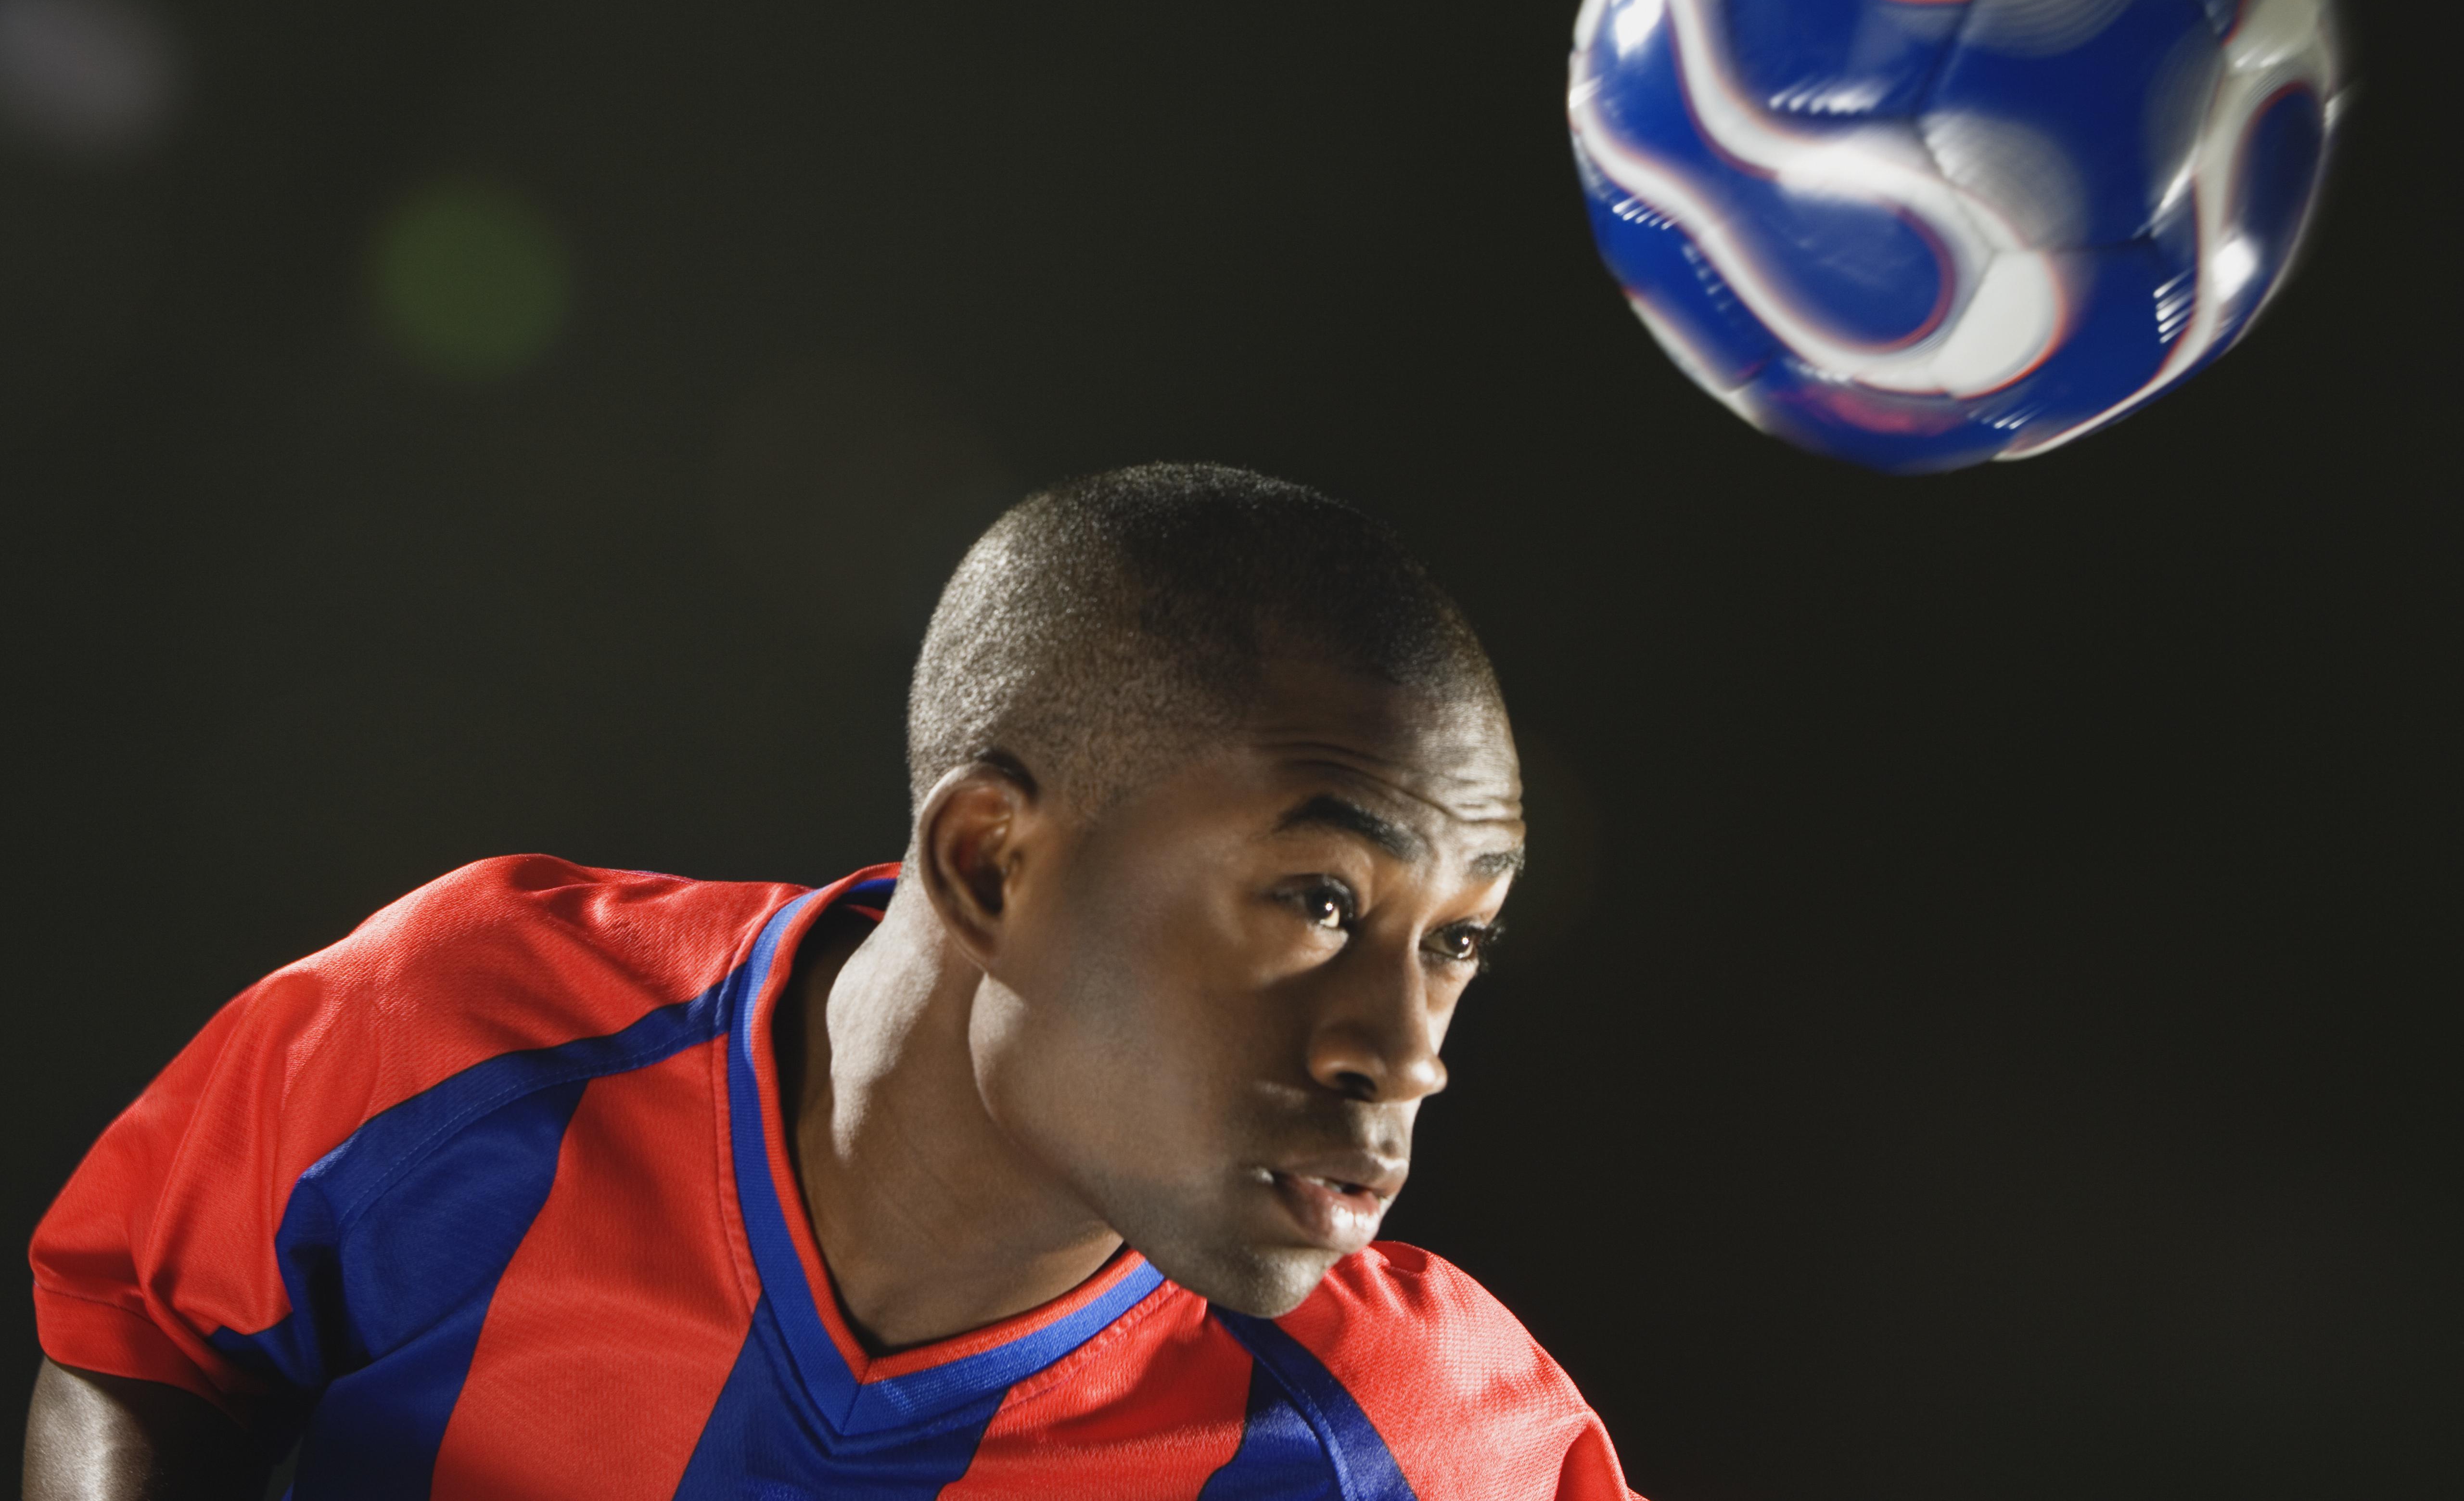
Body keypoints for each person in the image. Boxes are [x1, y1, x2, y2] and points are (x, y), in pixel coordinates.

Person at [24, 464, 1638, 1499]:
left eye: (1456, 942)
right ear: (992, 864)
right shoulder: (459, 1031)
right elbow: (139, 1346)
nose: (1403, 1051)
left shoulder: (1419, 1444)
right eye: (1314, 900)